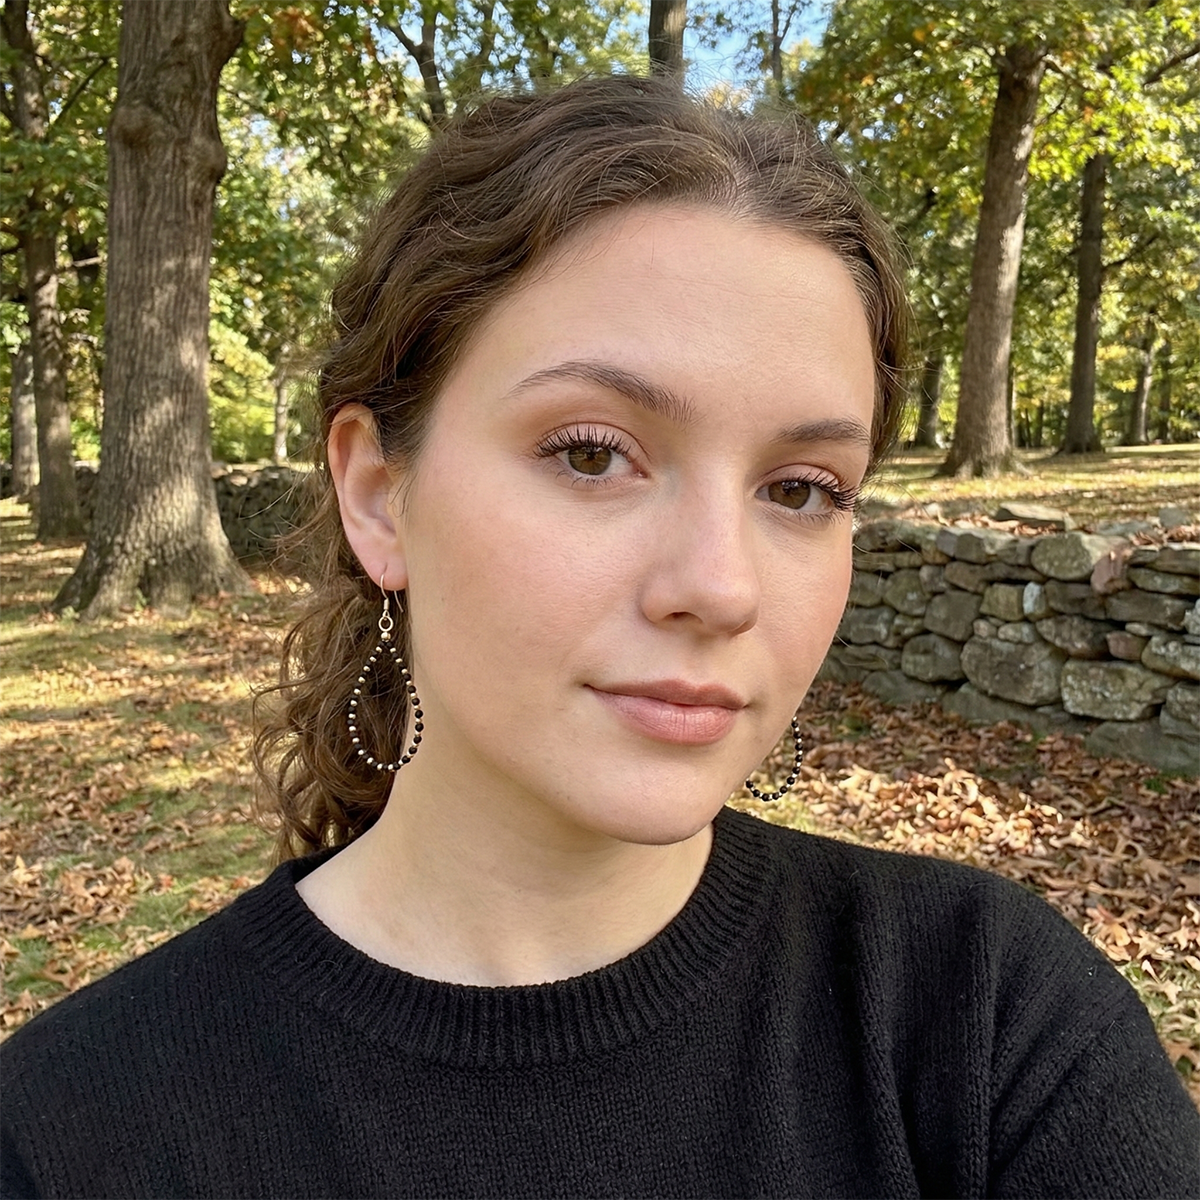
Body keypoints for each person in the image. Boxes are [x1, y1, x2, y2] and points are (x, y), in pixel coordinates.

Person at [1, 75, 1198, 1199]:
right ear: (377, 494)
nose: (720, 589)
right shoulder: (69, 1131)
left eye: (801, 488)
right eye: (590, 453)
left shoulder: (985, 1023)